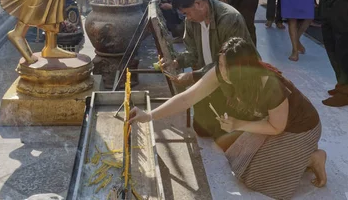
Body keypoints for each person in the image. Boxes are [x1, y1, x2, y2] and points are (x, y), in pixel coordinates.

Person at [130, 37, 326, 200]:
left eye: (226, 67)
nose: (221, 71)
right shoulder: (222, 72)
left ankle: (312, 158)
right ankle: (296, 157)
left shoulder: (270, 85)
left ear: (242, 68)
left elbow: (277, 127)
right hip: (271, 122)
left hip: (300, 127)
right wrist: (149, 116)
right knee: (242, 164)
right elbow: (187, 98)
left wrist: (239, 124)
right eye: (220, 64)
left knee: (262, 181)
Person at [165, 0, 255, 137]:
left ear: (198, 4)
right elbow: (192, 52)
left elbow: (231, 64)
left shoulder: (229, 19)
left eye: (187, 13)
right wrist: (176, 62)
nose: (187, 18)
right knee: (202, 129)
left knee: (227, 132)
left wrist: (194, 76)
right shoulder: (192, 21)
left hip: (233, 80)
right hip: (210, 79)